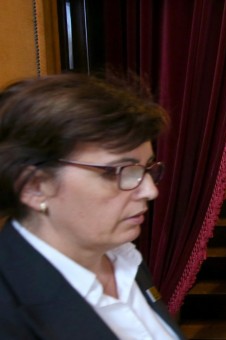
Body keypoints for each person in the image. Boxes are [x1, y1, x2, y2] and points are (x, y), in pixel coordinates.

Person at [0, 73, 184, 339]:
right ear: (33, 186)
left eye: (147, 169)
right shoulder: (10, 311)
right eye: (119, 171)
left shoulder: (122, 258)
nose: (150, 190)